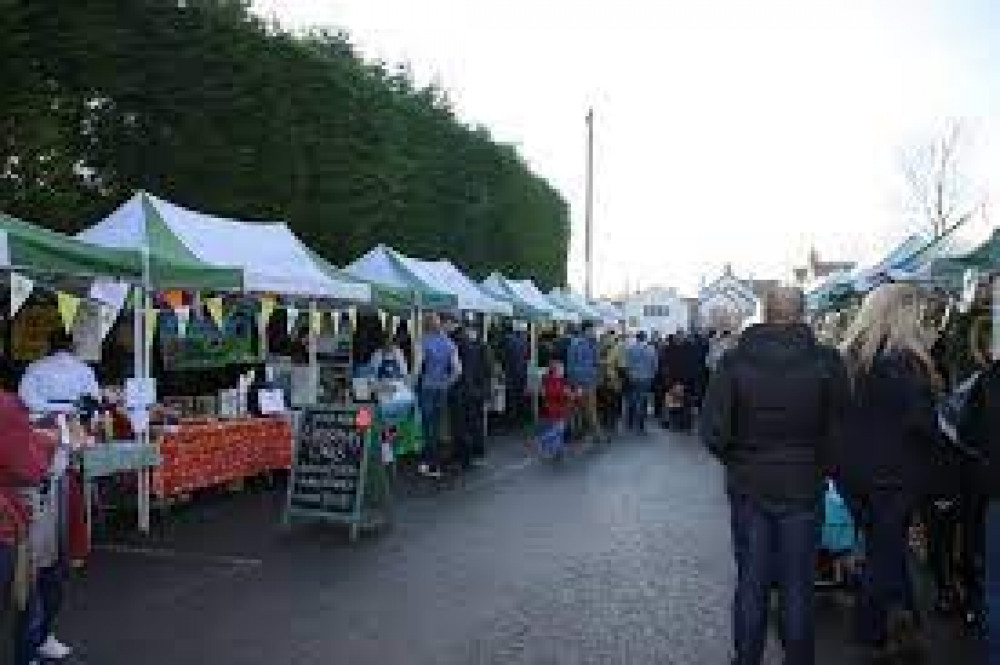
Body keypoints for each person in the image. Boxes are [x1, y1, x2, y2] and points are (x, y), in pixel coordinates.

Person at [700, 287, 850, 665]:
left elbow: (713, 430)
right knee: (797, 583)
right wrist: (822, 466)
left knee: (752, 579)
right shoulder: (827, 362)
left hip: (750, 484)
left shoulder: (734, 362)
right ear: (801, 314)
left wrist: (739, 460)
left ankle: (747, 657)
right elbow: (841, 428)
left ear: (765, 312)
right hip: (803, 483)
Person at [838, 283, 943, 661]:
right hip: (896, 475)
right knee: (886, 550)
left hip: (853, 473)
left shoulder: (847, 358)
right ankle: (871, 628)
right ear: (903, 315)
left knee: (886, 545)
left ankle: (903, 619)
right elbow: (922, 425)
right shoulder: (907, 363)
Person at [16, 329, 98, 663]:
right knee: (45, 567)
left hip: (50, 476)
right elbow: (91, 404)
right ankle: (35, 639)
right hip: (48, 480)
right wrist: (72, 418)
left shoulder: (34, 372)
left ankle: (36, 639)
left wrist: (54, 418)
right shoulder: (83, 371)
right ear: (72, 346)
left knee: (43, 567)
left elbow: (28, 405)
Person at [1, 391, 57, 665]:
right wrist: (47, 440)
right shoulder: (6, 407)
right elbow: (29, 468)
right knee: (25, 604)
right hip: (5, 521)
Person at [417, 313, 461, 479]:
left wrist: (411, 382)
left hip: (427, 387)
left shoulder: (423, 341)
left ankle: (430, 464)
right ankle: (434, 464)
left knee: (428, 426)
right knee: (438, 426)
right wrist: (446, 383)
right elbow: (458, 370)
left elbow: (418, 366)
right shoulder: (449, 343)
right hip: (441, 389)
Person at [450, 321, 491, 470]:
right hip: (475, 391)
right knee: (474, 424)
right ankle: (476, 453)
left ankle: (467, 457)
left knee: (466, 425)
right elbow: (487, 369)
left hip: (468, 391)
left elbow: (469, 371)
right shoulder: (480, 345)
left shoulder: (465, 344)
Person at [565, 322, 602, 442]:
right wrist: (572, 383)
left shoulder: (592, 343)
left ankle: (590, 433)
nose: (593, 332)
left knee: (587, 409)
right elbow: (570, 364)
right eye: (591, 330)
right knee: (580, 409)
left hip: (588, 381)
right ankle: (589, 434)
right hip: (580, 382)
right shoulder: (576, 343)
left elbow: (596, 362)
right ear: (585, 330)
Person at [623, 331, 658, 433]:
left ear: (637, 338)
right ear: (645, 338)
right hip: (646, 378)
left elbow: (627, 364)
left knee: (631, 399)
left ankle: (630, 422)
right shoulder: (651, 349)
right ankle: (641, 424)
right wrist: (652, 375)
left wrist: (629, 374)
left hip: (633, 377)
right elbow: (655, 365)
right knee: (643, 400)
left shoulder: (630, 349)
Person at [538, 360, 572, 459]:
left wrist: (569, 393)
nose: (563, 371)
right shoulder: (551, 381)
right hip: (555, 409)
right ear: (555, 371)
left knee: (559, 430)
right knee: (559, 429)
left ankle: (557, 449)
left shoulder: (559, 381)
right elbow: (552, 394)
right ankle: (543, 440)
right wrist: (565, 392)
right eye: (561, 370)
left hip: (560, 409)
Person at [597, 330, 624, 435]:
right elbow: (621, 366)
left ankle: (610, 422)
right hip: (605, 380)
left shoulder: (615, 349)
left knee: (610, 401)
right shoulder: (600, 349)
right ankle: (609, 422)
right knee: (608, 402)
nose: (607, 340)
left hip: (610, 380)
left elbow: (621, 366)